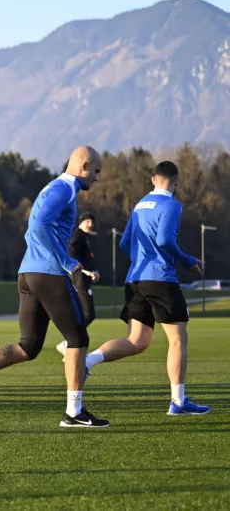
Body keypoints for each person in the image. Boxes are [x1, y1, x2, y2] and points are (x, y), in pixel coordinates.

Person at [0, 146, 109, 428]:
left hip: (29, 273)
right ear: (84, 165)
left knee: (28, 346)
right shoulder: (64, 189)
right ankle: (74, 413)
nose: (97, 178)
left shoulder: (55, 188)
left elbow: (31, 231)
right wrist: (63, 260)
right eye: (97, 171)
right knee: (78, 338)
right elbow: (38, 225)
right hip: (47, 274)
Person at [84, 161, 209, 415]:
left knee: (137, 341)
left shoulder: (140, 205)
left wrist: (142, 260)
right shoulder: (172, 205)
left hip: (135, 279)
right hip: (160, 279)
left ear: (153, 179)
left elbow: (125, 242)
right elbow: (164, 239)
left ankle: (86, 361)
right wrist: (188, 261)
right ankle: (178, 402)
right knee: (178, 339)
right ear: (175, 182)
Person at [56, 212, 99, 358]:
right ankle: (69, 342)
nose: (90, 224)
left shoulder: (86, 238)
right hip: (79, 279)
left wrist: (95, 271)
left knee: (86, 314)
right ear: (80, 222)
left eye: (92, 221)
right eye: (87, 221)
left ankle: (71, 343)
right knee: (88, 313)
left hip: (85, 280)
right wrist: (87, 272)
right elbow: (71, 255)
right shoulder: (77, 237)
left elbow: (87, 259)